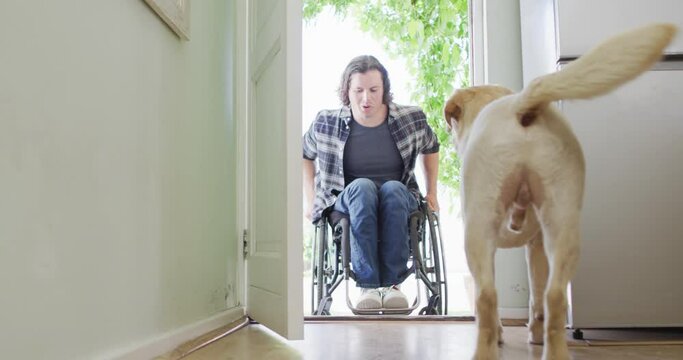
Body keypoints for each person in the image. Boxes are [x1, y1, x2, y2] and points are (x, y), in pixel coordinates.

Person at [303, 55, 440, 310]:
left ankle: (392, 286)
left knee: (393, 189)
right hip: (346, 200)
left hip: (398, 197)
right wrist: (311, 200)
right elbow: (304, 154)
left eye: (374, 90)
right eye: (359, 90)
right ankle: (367, 286)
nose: (366, 98)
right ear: (347, 91)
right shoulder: (326, 122)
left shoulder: (410, 118)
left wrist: (432, 192)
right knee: (363, 188)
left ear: (385, 90)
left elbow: (431, 147)